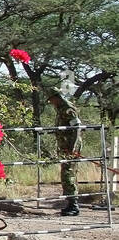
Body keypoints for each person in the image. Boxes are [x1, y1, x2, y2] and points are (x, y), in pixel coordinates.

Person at [48, 86, 82, 216]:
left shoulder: (67, 108)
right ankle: (71, 203)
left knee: (68, 174)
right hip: (65, 147)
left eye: (51, 100)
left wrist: (72, 148)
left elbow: (77, 127)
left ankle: (74, 205)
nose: (51, 103)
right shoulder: (60, 108)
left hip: (70, 147)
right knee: (67, 173)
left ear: (56, 97)